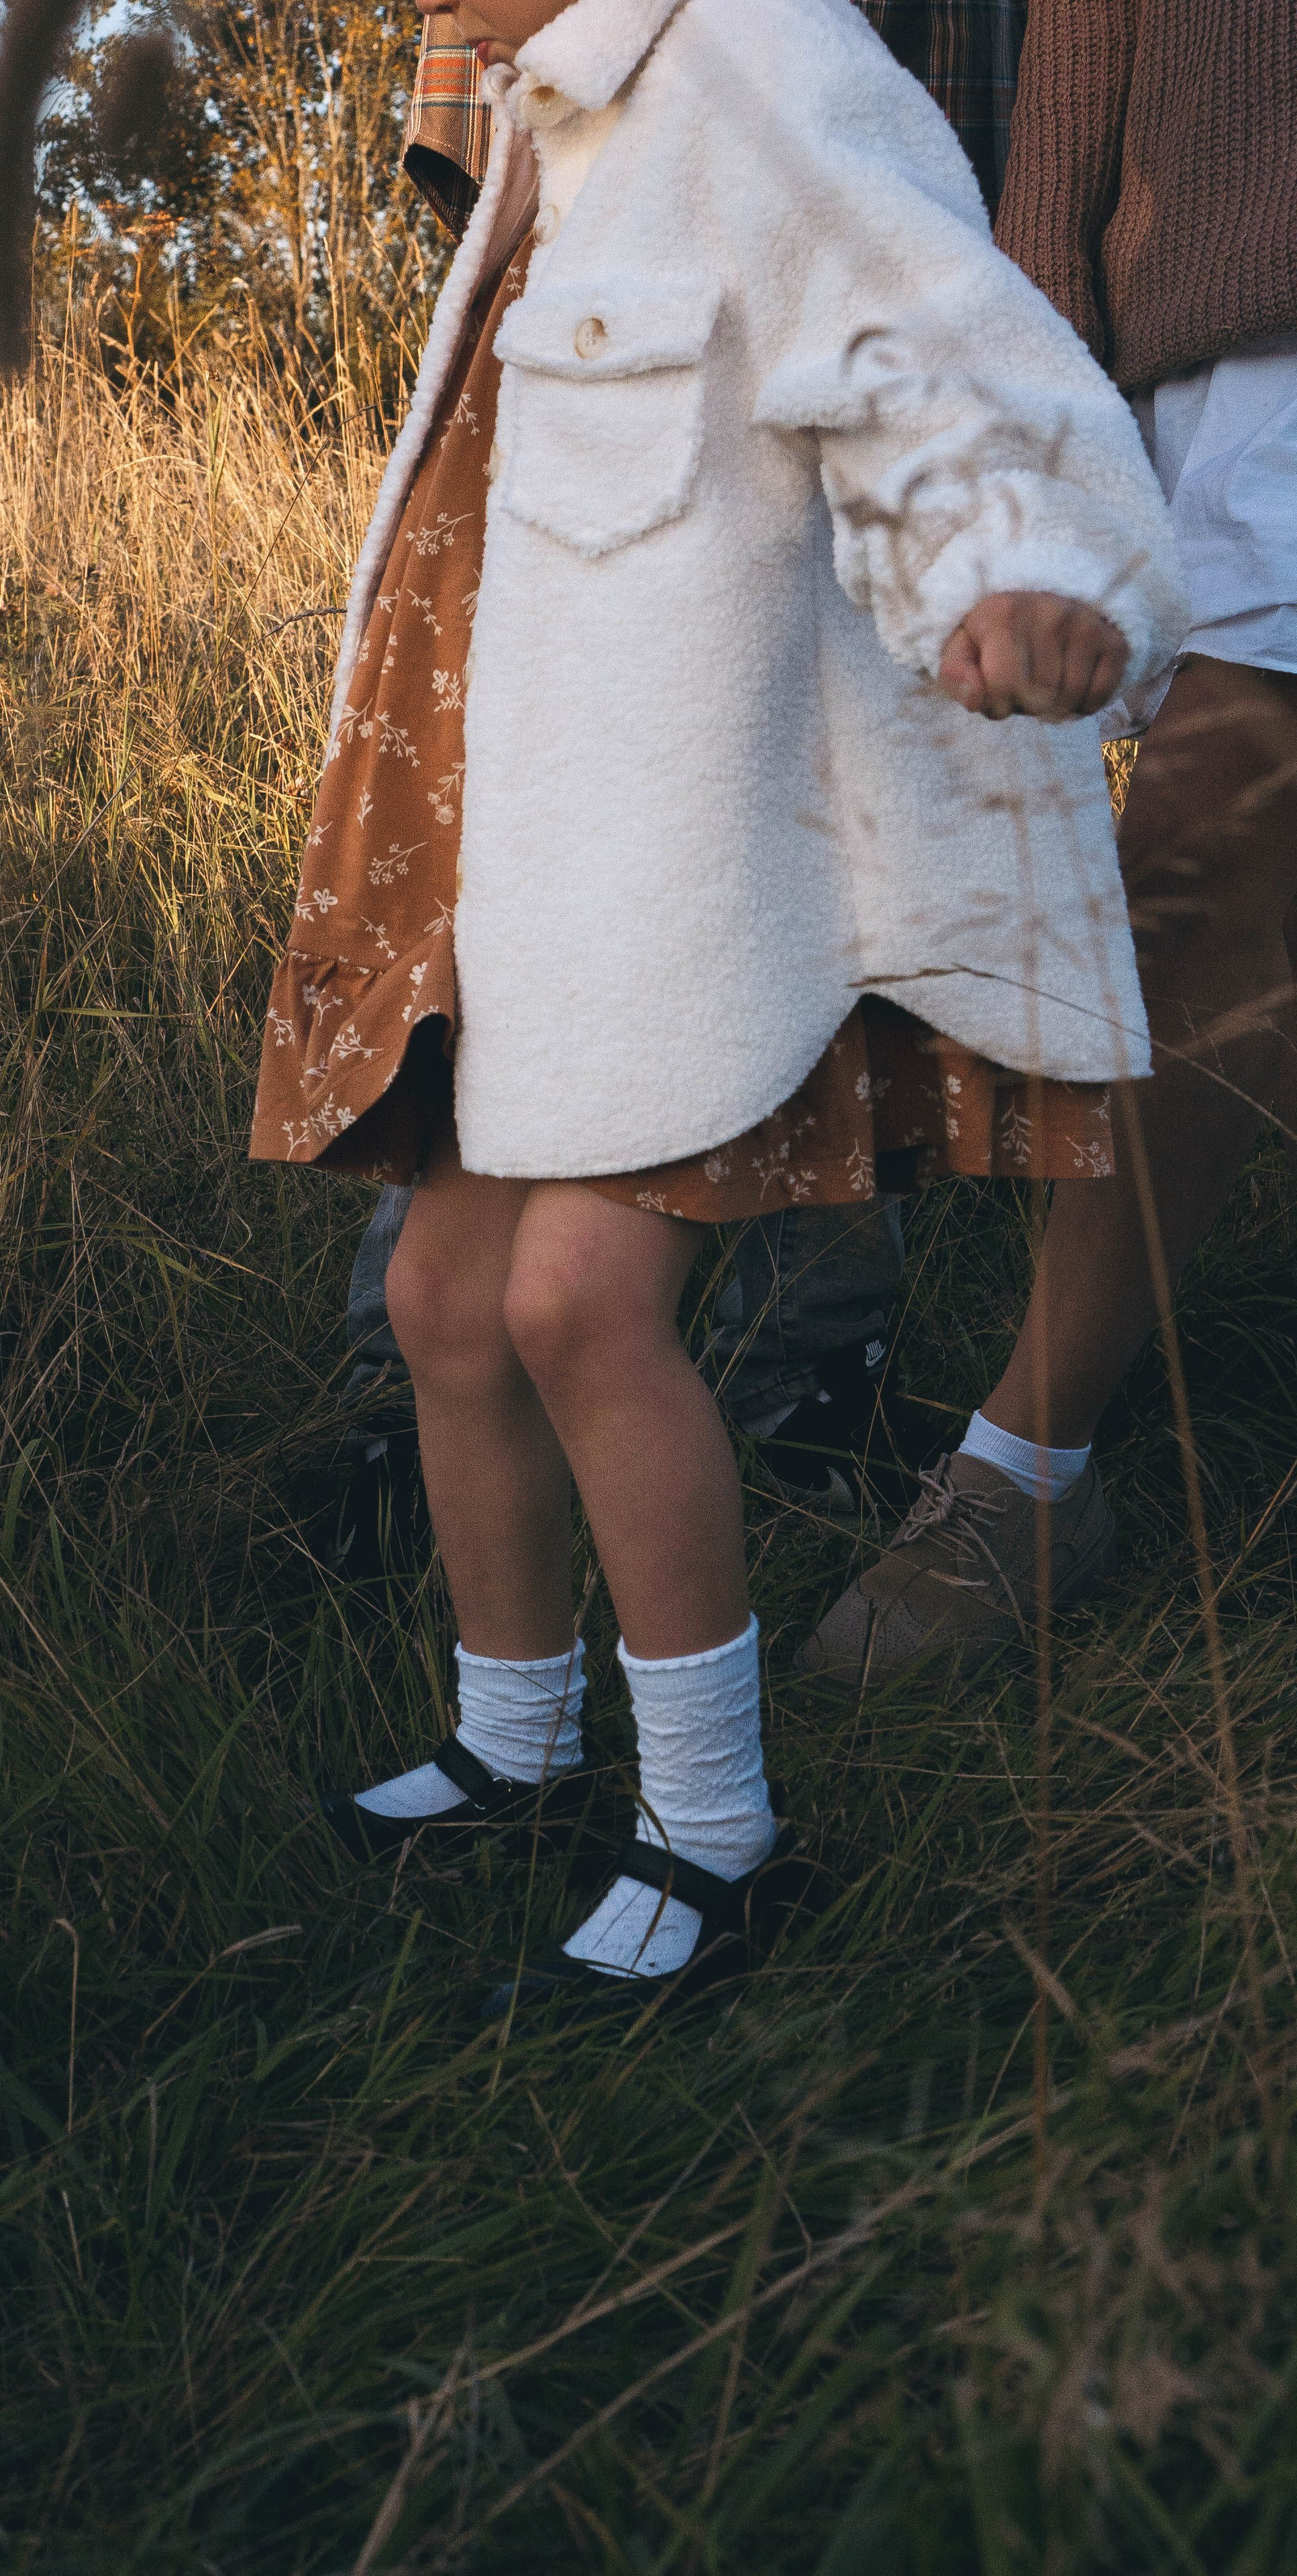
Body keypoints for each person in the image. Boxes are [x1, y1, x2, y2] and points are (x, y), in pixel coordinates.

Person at [252, 0, 1184, 2006]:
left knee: (578, 1304)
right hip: (518, 851)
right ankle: (514, 1753)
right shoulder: (540, 121)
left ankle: (720, 1835)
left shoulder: (770, 64)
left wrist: (1022, 568)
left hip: (694, 859)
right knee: (439, 1301)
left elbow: (951, 356)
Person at [330, 0, 1032, 1544]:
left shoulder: (798, 72)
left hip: (837, 261)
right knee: (558, 873)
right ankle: (442, 1405)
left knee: (793, 847)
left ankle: (801, 1362)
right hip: (614, 265)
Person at [802, 0, 1297, 1682]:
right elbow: (1089, 52)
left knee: (1206, 855)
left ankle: (1021, 1468)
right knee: (1193, 890)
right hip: (1204, 350)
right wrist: (1024, 394)